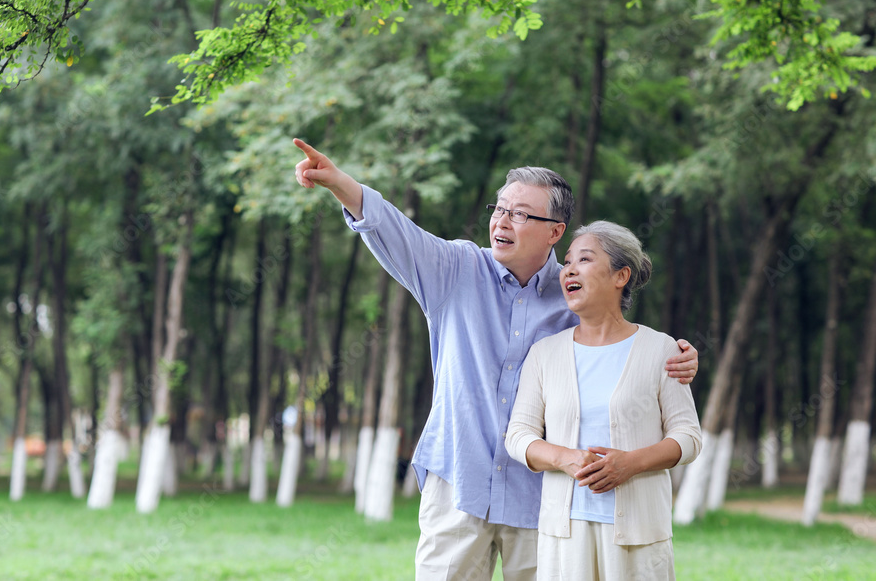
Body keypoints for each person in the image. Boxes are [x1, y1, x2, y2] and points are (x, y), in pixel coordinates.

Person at [292, 139, 699, 580]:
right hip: (458, 485)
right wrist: (341, 185)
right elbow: (398, 234)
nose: (502, 221)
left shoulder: (573, 299)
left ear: (555, 231)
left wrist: (676, 356)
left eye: (521, 214)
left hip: (541, 497)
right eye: (499, 208)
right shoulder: (454, 270)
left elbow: (619, 348)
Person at [505, 221, 702, 580]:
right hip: (564, 534)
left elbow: (688, 437)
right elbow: (518, 435)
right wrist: (565, 459)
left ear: (620, 276)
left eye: (584, 259)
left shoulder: (662, 349)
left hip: (639, 536)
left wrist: (630, 463)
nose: (569, 270)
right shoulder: (544, 354)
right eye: (567, 262)